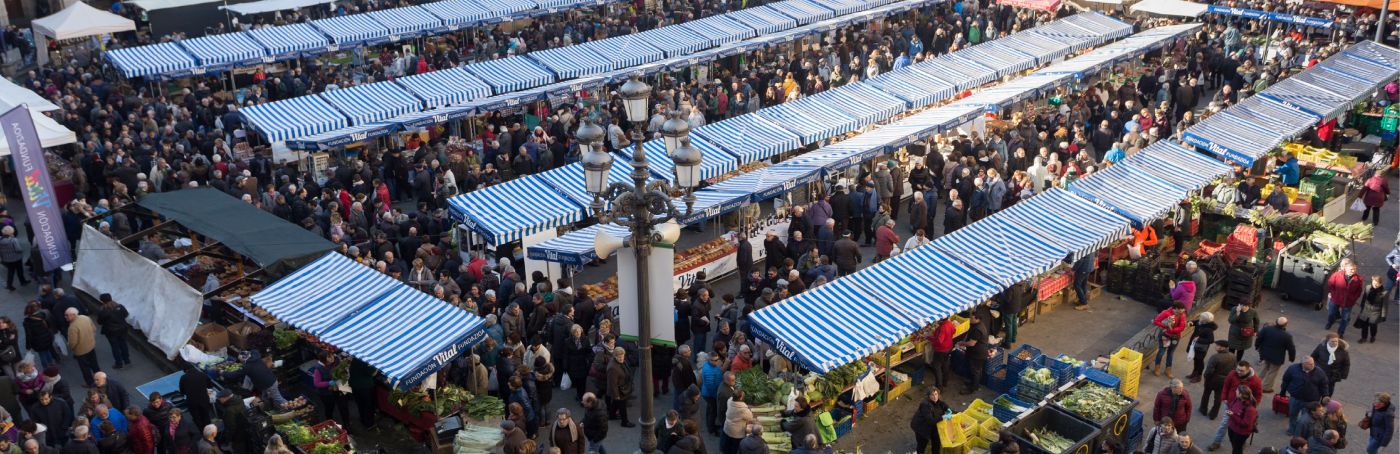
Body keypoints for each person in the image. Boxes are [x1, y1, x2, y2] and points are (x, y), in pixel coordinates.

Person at [1282, 356, 1330, 436]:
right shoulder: (1293, 369)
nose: (1312, 365)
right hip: (1295, 398)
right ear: (1302, 364)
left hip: (1311, 401)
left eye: (1313, 363)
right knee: (1292, 414)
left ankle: (1302, 433)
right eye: (1309, 364)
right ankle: (1292, 429)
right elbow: (1286, 380)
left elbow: (1324, 385)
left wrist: (1325, 395)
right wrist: (1283, 391)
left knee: (1306, 419)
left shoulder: (1319, 372)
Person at [1323, 260, 1363, 337]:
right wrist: (1333, 294)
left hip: (1348, 302)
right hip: (1335, 299)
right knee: (1331, 313)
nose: (1353, 271)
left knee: (1345, 319)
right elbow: (1330, 284)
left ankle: (1340, 333)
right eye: (1351, 269)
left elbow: (1359, 291)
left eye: (1355, 269)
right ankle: (1330, 322)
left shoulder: (1359, 279)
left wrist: (1353, 299)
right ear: (1345, 269)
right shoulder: (1337, 275)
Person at [1256, 317, 1296, 393]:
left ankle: (1257, 382)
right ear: (1285, 325)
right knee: (1272, 372)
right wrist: (1291, 358)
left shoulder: (1267, 329)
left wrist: (1257, 346)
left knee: (1264, 368)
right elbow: (1291, 348)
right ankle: (1266, 387)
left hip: (1265, 354)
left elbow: (1259, 338)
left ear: (1276, 322)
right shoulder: (1287, 336)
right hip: (1277, 358)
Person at [64, 308, 100, 387]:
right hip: (91, 346)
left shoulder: (72, 327)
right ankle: (100, 378)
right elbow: (94, 329)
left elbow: (73, 342)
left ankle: (90, 383)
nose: (65, 317)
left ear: (73, 315)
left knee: (85, 368)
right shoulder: (85, 317)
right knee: (94, 364)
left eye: (67, 315)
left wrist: (70, 347)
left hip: (81, 351)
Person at [1201, 340, 1237, 420]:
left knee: (1206, 394)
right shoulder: (1233, 356)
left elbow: (1209, 371)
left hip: (1212, 380)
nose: (1216, 347)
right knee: (1218, 398)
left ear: (1222, 347)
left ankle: (1203, 409)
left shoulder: (1215, 357)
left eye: (1217, 345)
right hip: (1224, 381)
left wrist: (1206, 377)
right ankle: (1213, 414)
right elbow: (1234, 369)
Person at [94, 294, 131, 370]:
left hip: (111, 331)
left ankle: (119, 363)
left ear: (102, 301)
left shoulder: (103, 311)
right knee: (123, 343)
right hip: (122, 329)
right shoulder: (120, 307)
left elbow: (99, 322)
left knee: (115, 347)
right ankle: (127, 360)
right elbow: (126, 314)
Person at [1307, 333, 1349, 397]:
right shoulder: (1321, 347)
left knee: (1329, 389)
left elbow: (1346, 364)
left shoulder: (1343, 351)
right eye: (1332, 341)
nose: (1334, 343)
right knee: (1317, 387)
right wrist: (1313, 368)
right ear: (1327, 341)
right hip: (1320, 371)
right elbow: (1313, 357)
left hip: (1333, 375)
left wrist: (1343, 375)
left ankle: (1325, 401)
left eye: (1336, 341)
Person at [1151, 303, 1187, 377]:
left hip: (1175, 337)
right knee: (1162, 351)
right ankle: (1157, 368)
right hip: (1166, 336)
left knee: (1171, 353)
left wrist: (1172, 330)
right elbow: (1156, 321)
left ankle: (1168, 369)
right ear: (1176, 308)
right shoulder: (1166, 313)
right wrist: (1166, 326)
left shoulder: (1182, 315)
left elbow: (1182, 327)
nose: (1183, 311)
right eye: (1181, 309)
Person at [910, 387, 949, 454]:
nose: (935, 397)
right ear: (928, 396)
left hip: (934, 426)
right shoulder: (925, 405)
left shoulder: (938, 401)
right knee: (922, 445)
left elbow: (943, 405)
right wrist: (943, 417)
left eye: (936, 394)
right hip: (922, 428)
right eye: (932, 395)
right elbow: (931, 420)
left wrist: (948, 409)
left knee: (936, 443)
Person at [959, 312, 990, 394]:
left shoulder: (977, 329)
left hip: (977, 354)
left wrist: (962, 343)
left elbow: (972, 343)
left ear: (977, 319)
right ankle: (974, 383)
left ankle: (972, 388)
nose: (970, 319)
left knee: (975, 371)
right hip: (977, 352)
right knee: (976, 370)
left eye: (972, 318)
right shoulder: (978, 325)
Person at [1186, 312, 1219, 383]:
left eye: (1201, 317)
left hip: (1201, 348)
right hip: (1195, 345)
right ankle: (1194, 373)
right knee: (1195, 359)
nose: (1199, 318)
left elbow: (1211, 340)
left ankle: (1198, 376)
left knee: (1199, 361)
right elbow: (1194, 322)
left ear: (1205, 320)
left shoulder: (1208, 329)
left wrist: (1199, 339)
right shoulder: (1200, 322)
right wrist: (1190, 322)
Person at [1354, 276, 1388, 343]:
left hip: (1375, 312)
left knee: (1373, 326)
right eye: (1374, 282)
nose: (1375, 284)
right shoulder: (1368, 287)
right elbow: (1364, 298)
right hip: (1366, 310)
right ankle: (1364, 338)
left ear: (1380, 284)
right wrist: (1362, 308)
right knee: (1364, 325)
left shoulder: (1384, 292)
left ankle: (1373, 336)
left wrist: (1383, 316)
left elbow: (1384, 305)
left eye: (1377, 283)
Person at [1225, 386, 1258, 454]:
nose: (1235, 392)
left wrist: (1232, 415)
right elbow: (1231, 406)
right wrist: (1229, 408)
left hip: (1241, 433)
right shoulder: (1237, 399)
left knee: (1237, 449)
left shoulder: (1250, 409)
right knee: (1234, 445)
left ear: (1241, 394)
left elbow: (1245, 424)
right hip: (1232, 427)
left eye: (1237, 391)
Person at [217, 389, 251, 454]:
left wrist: (228, 440)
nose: (219, 400)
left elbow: (230, 427)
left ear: (225, 398)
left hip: (237, 435)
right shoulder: (239, 400)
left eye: (220, 398)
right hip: (244, 429)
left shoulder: (229, 411)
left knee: (238, 450)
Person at [925, 318, 956, 388]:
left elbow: (939, 341)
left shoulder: (943, 327)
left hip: (941, 350)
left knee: (937, 367)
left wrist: (929, 338)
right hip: (949, 347)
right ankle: (945, 382)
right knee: (945, 365)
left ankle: (939, 387)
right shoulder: (949, 323)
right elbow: (954, 331)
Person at [722, 390, 755, 454]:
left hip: (727, 427)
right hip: (737, 432)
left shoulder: (729, 401)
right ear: (740, 398)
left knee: (728, 444)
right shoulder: (743, 409)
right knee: (735, 447)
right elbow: (750, 418)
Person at [0, 226, 28, 290]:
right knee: (19, 270)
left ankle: (9, 285)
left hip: (7, 259)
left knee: (10, 272)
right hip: (16, 258)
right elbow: (18, 249)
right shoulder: (13, 240)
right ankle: (22, 281)